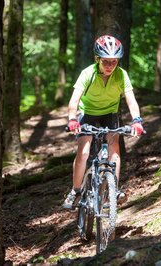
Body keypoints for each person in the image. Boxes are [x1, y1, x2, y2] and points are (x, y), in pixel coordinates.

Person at [63, 35, 144, 209]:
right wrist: (72, 119)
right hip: (88, 113)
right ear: (97, 59)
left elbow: (131, 100)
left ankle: (112, 190)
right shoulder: (88, 73)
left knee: (114, 150)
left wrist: (137, 121)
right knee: (84, 152)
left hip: (110, 113)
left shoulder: (121, 75)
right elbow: (74, 100)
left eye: (114, 61)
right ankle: (75, 191)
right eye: (106, 61)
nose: (109, 65)